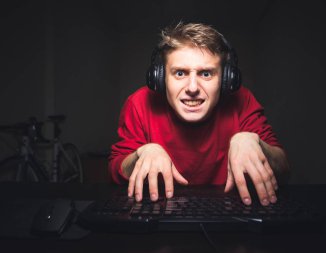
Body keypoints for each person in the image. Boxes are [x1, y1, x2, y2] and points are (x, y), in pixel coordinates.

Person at [109, 22, 289, 206]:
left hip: (230, 215)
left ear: (226, 79)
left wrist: (256, 143)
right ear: (160, 78)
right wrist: (141, 154)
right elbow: (116, 168)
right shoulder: (139, 103)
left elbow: (282, 167)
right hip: (158, 212)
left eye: (206, 74)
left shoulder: (242, 100)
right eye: (180, 73)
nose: (192, 88)